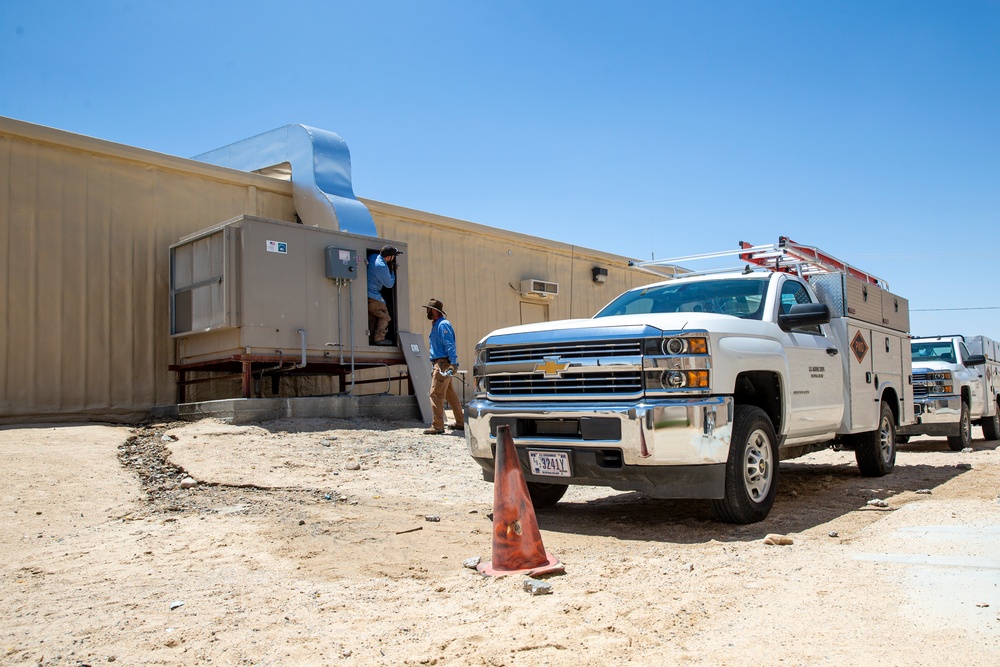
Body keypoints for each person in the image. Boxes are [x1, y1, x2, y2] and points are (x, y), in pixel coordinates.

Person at [423, 298, 465, 435]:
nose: (427, 312)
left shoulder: (443, 325)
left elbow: (449, 344)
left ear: (434, 310)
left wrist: (453, 362)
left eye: (428, 309)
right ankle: (460, 422)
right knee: (449, 393)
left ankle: (437, 426)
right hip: (442, 363)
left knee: (435, 394)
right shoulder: (437, 324)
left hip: (442, 363)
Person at [367, 245, 401, 346]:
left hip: (366, 294)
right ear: (389, 256)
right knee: (385, 316)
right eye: (393, 256)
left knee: (374, 317)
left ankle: (371, 340)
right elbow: (389, 284)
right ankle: (379, 338)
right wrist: (393, 272)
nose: (394, 258)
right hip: (373, 295)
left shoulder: (373, 257)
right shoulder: (382, 266)